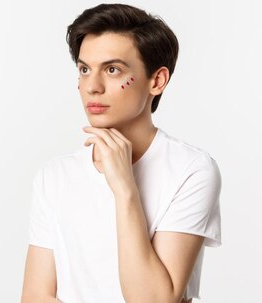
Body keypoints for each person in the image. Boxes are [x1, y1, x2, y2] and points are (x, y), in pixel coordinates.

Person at [21, 4, 222, 303]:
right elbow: (35, 296)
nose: (93, 86)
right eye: (84, 69)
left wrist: (125, 188)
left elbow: (152, 300)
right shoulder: (55, 176)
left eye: (113, 70)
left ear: (157, 80)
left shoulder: (191, 169)